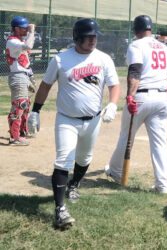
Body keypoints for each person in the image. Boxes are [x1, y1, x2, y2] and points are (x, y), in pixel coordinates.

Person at [28, 18, 120, 228]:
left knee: (85, 157)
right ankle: (60, 209)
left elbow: (114, 86)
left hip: (93, 119)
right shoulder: (61, 60)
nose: (93, 40)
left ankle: (74, 184)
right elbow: (45, 86)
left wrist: (113, 105)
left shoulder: (104, 59)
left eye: (95, 36)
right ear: (77, 37)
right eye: (88, 36)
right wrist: (36, 111)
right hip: (66, 119)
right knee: (63, 160)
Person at [104, 14, 167, 194]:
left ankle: (116, 171)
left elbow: (135, 71)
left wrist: (130, 96)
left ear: (136, 30)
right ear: (150, 29)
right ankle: (162, 185)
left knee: (126, 137)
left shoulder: (136, 45)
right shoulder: (163, 46)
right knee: (159, 143)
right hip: (162, 98)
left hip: (142, 97)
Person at [6, 16, 37, 145]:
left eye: (26, 28)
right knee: (19, 105)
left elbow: (25, 61)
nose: (26, 30)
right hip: (17, 76)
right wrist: (32, 31)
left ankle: (22, 131)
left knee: (26, 105)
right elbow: (29, 44)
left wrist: (31, 76)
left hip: (24, 75)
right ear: (16, 29)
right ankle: (15, 137)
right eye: (23, 29)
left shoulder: (19, 40)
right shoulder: (12, 41)